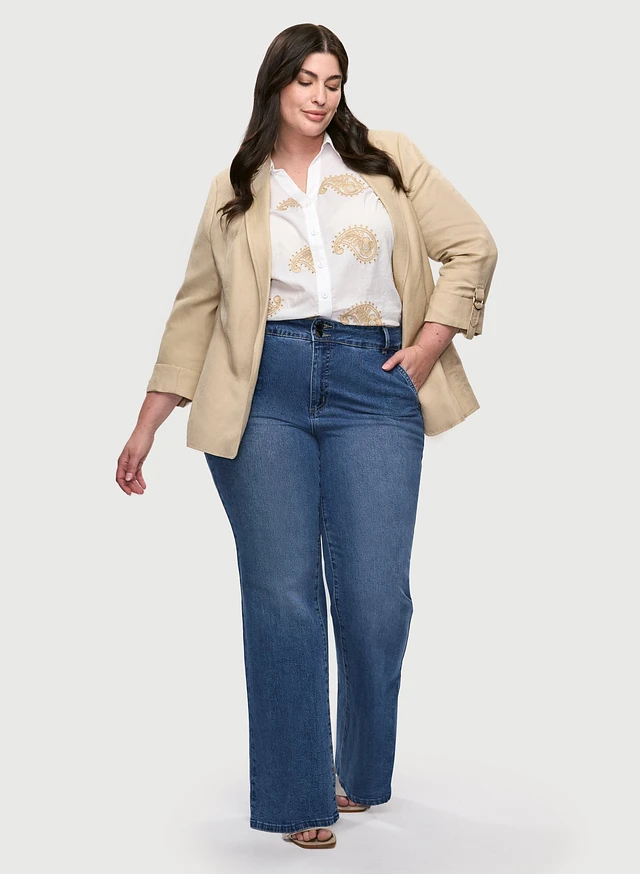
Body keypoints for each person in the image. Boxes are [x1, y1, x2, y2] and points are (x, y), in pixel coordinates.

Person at [116, 23, 498, 851]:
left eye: (334, 81)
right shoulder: (234, 185)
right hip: (263, 392)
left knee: (375, 600)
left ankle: (358, 769)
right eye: (306, 81)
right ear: (276, 85)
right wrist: (147, 423)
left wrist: (428, 345)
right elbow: (195, 310)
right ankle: (298, 798)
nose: (321, 96)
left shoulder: (387, 159)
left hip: (374, 379)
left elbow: (473, 247)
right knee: (283, 596)